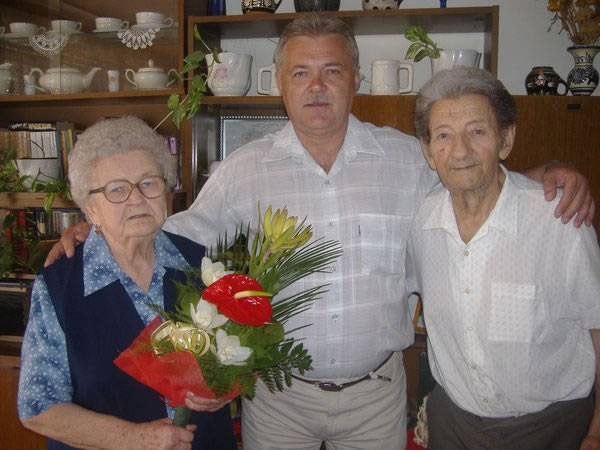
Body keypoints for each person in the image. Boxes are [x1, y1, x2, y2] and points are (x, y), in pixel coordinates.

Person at [46, 16, 595, 449]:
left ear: (355, 78)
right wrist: (95, 230)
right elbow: (171, 238)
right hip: (278, 398)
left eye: (332, 71)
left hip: (376, 395)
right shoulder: (244, 170)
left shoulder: (409, 158)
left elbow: (472, 175)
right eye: (300, 73)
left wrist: (547, 173)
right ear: (279, 84)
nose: (316, 87)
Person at [407, 67, 600, 450]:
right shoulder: (420, 223)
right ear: (428, 152)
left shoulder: (559, 222)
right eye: (443, 135)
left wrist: (597, 430)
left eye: (477, 131)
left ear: (505, 139)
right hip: (454, 425)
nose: (460, 150)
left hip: (552, 428)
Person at [18, 116, 237, 450]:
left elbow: (238, 354)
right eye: (116, 189)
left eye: (148, 183)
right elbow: (38, 408)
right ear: (90, 209)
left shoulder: (202, 264)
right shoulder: (60, 288)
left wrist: (224, 387)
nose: (136, 199)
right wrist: (134, 439)